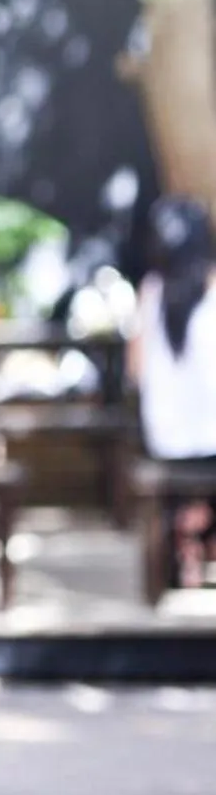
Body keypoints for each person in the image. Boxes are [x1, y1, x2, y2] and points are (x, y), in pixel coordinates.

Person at [128, 195, 216, 591]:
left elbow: (135, 372)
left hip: (164, 437)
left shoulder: (150, 292)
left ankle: (189, 535)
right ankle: (200, 535)